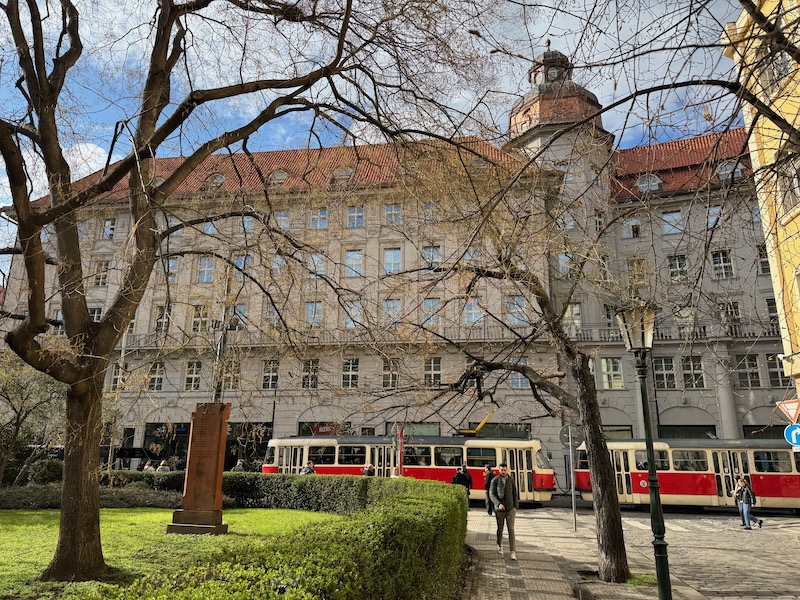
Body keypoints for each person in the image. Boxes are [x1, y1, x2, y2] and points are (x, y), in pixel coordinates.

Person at [489, 462, 520, 560]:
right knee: (500, 528)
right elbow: (492, 494)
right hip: (500, 510)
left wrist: (516, 506)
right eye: (501, 470)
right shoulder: (495, 480)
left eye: (505, 470)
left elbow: (515, 493)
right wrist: (498, 504)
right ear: (499, 470)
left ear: (507, 470)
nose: (503, 472)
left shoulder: (511, 480)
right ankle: (499, 544)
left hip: (510, 509)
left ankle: (512, 552)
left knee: (511, 529)